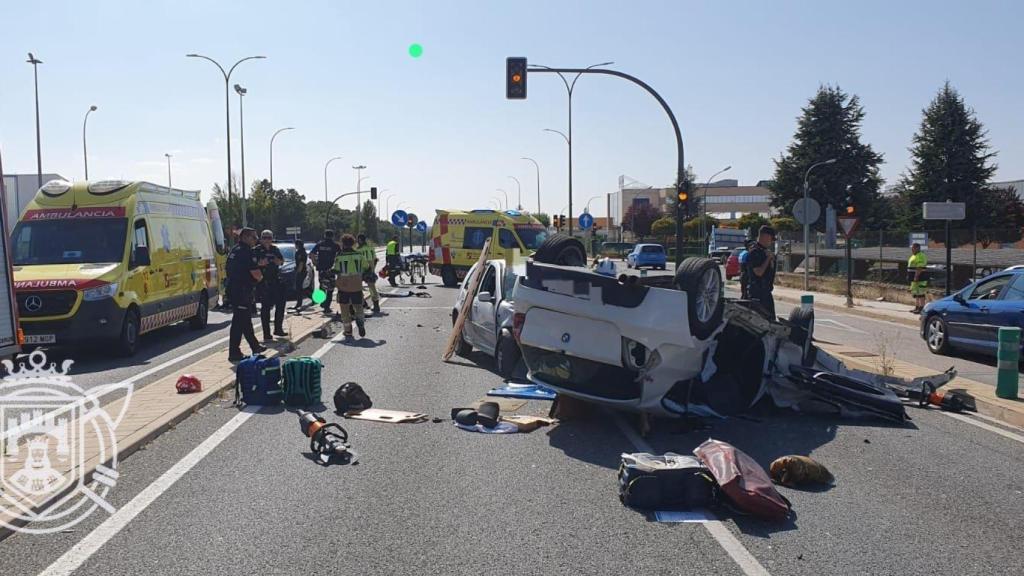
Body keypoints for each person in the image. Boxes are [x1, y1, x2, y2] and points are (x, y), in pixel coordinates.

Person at [226, 228, 267, 362]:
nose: (256, 240)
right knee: (241, 321)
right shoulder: (246, 252)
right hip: (242, 290)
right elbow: (256, 273)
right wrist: (261, 278)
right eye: (254, 238)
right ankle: (239, 350)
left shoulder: (235, 250)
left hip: (234, 289)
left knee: (241, 320)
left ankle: (247, 348)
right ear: (246, 237)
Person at [254, 230, 288, 342]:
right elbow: (253, 264)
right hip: (263, 282)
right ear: (261, 238)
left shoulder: (275, 249)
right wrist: (261, 263)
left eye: (269, 238)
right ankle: (266, 334)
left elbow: (281, 261)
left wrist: (277, 261)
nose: (267, 240)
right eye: (265, 237)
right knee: (266, 309)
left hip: (275, 280)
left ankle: (278, 328)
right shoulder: (257, 250)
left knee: (281, 304)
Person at [332, 234, 367, 339]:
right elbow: (366, 267)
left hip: (343, 286)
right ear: (353, 243)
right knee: (358, 306)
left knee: (344, 309)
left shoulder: (340, 256)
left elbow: (336, 270)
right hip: (357, 285)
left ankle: (348, 331)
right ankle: (360, 322)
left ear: (343, 244)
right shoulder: (359, 255)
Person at [746, 225, 777, 319]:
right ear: (765, 237)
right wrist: (768, 259)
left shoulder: (765, 251)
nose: (771, 242)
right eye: (771, 239)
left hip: (766, 292)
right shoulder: (754, 252)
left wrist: (771, 259)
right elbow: (758, 272)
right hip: (756, 293)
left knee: (771, 321)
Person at [310, 230, 341, 315]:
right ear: (333, 236)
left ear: (324, 235)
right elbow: (341, 255)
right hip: (331, 270)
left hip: (321, 269)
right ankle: (326, 306)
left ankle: (322, 302)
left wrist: (315, 263)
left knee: (322, 286)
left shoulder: (320, 244)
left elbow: (312, 254)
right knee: (330, 288)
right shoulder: (335, 245)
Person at [357, 233, 381, 314]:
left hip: (361, 270)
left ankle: (363, 303)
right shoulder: (371, 248)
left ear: (360, 240)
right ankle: (376, 305)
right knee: (372, 288)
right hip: (370, 270)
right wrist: (373, 269)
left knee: (357, 287)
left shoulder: (359, 250)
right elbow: (375, 259)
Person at [908, 242, 928, 314]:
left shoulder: (921, 255)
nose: (912, 249)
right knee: (916, 293)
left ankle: (921, 308)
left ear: (917, 248)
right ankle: (917, 307)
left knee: (921, 293)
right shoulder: (913, 256)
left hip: (920, 278)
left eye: (913, 248)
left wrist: (916, 277)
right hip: (914, 279)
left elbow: (919, 267)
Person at [293, 240, 309, 311]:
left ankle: (299, 304)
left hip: (301, 271)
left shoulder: (301, 253)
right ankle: (299, 303)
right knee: (300, 288)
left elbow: (301, 263)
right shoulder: (300, 252)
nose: (295, 246)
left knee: (299, 288)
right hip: (301, 271)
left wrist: (298, 272)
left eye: (296, 244)